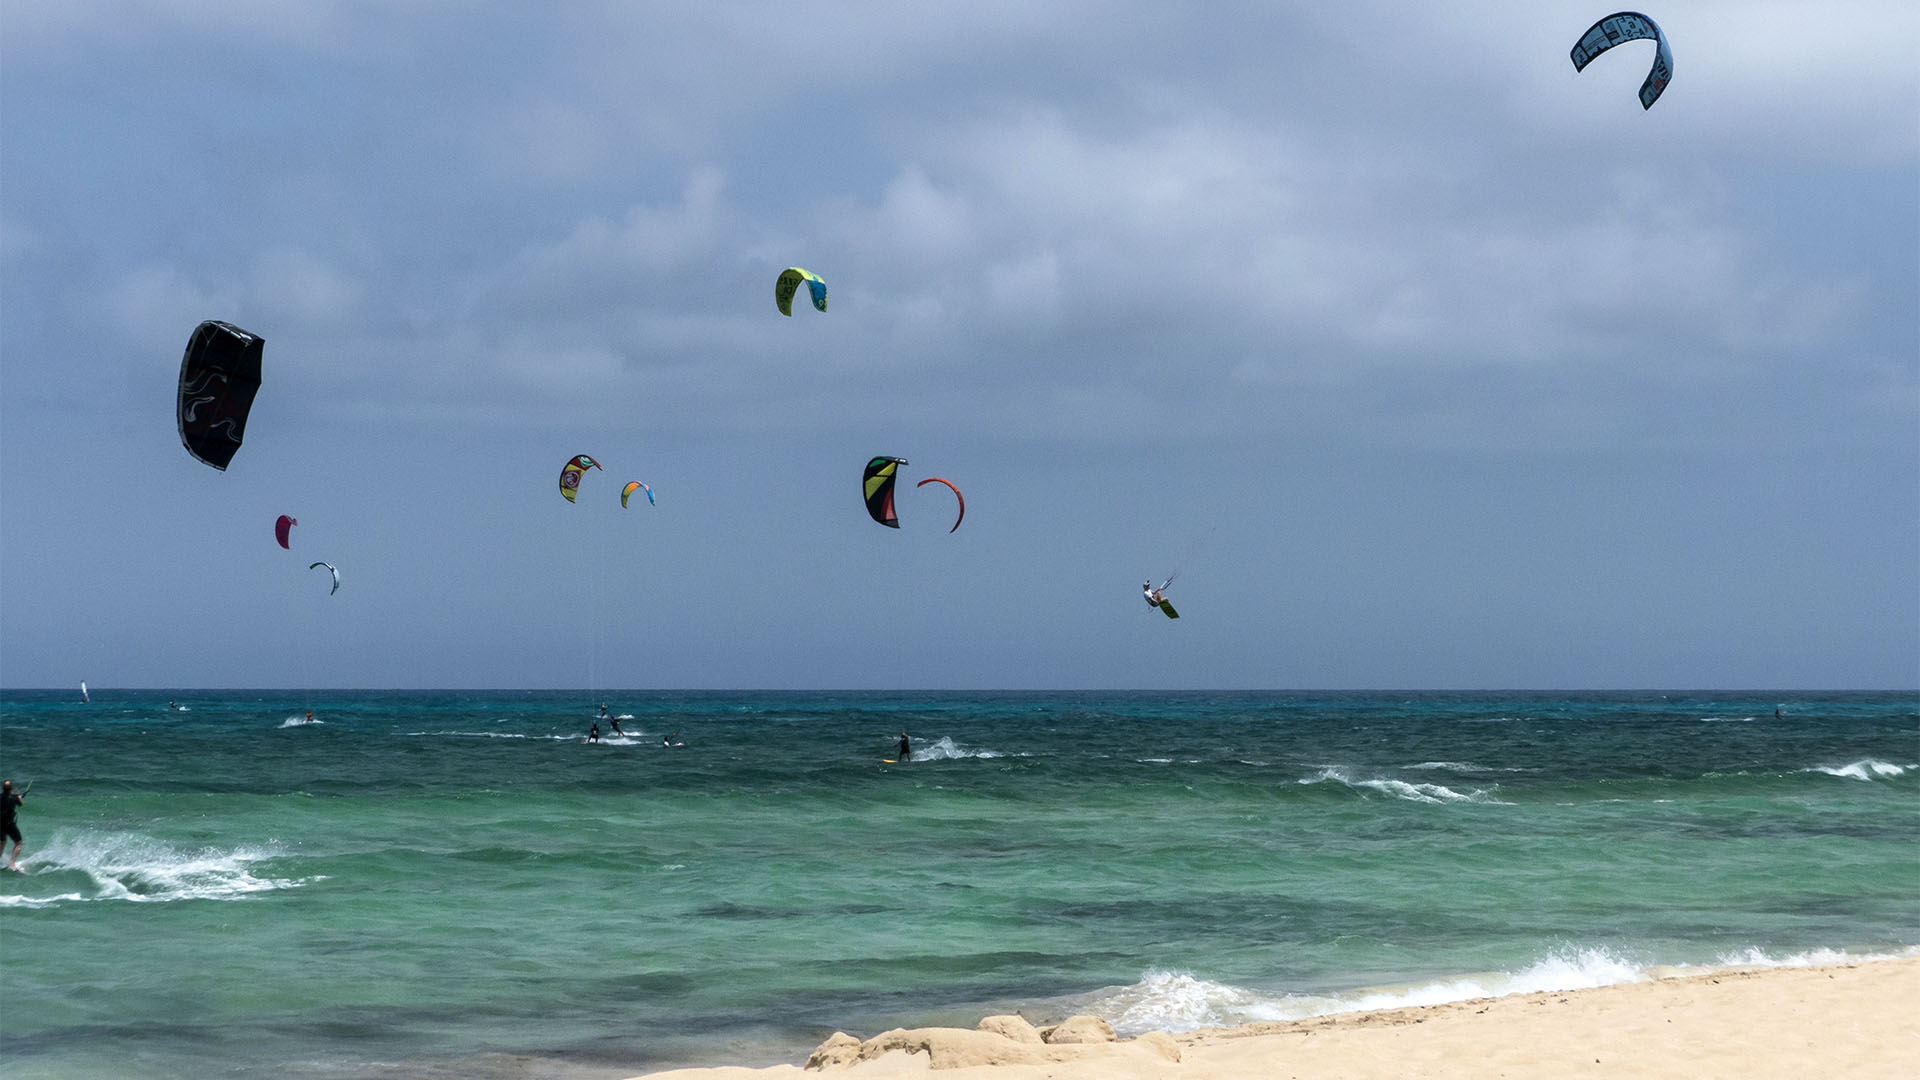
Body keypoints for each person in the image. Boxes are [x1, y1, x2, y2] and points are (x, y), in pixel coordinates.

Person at [2, 780, 24, 872]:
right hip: (9, 824)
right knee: (18, 843)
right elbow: (21, 804)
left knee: (2, 842)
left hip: (0, 824)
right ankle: (12, 864)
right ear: (11, 788)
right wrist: (19, 797)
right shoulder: (14, 797)